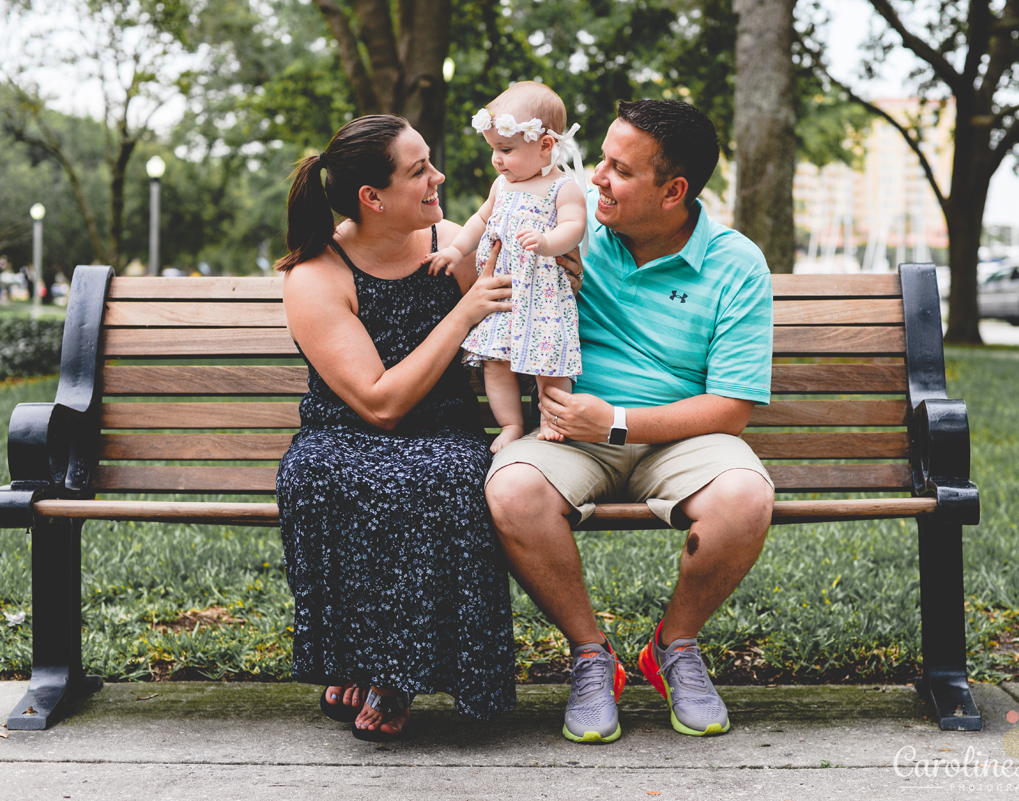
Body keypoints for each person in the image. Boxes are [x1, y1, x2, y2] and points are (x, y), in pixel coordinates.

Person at [484, 100, 775, 743]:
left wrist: (614, 421)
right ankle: (593, 656)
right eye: (601, 162)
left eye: (619, 171)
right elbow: (486, 257)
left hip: (677, 437)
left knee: (744, 498)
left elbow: (732, 408)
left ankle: (674, 646)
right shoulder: (571, 228)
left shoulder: (735, 263)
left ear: (673, 190)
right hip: (570, 433)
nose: (595, 180)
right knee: (511, 489)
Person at [275, 114, 516, 742]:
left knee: (444, 476)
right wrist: (460, 316)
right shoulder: (317, 275)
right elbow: (379, 405)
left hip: (445, 430)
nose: (438, 178)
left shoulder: (450, 243)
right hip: (344, 431)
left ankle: (387, 673)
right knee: (327, 475)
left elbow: (513, 315)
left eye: (429, 161)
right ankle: (363, 661)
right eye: (419, 171)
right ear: (371, 198)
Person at [425, 82, 587, 452]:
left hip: (543, 294)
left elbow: (573, 228)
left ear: (545, 145)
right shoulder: (502, 185)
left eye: (507, 149)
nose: (497, 159)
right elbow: (479, 221)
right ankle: (510, 424)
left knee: (551, 365)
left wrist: (548, 242)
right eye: (494, 150)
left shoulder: (563, 188)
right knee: (495, 364)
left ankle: (552, 418)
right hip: (503, 295)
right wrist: (454, 252)